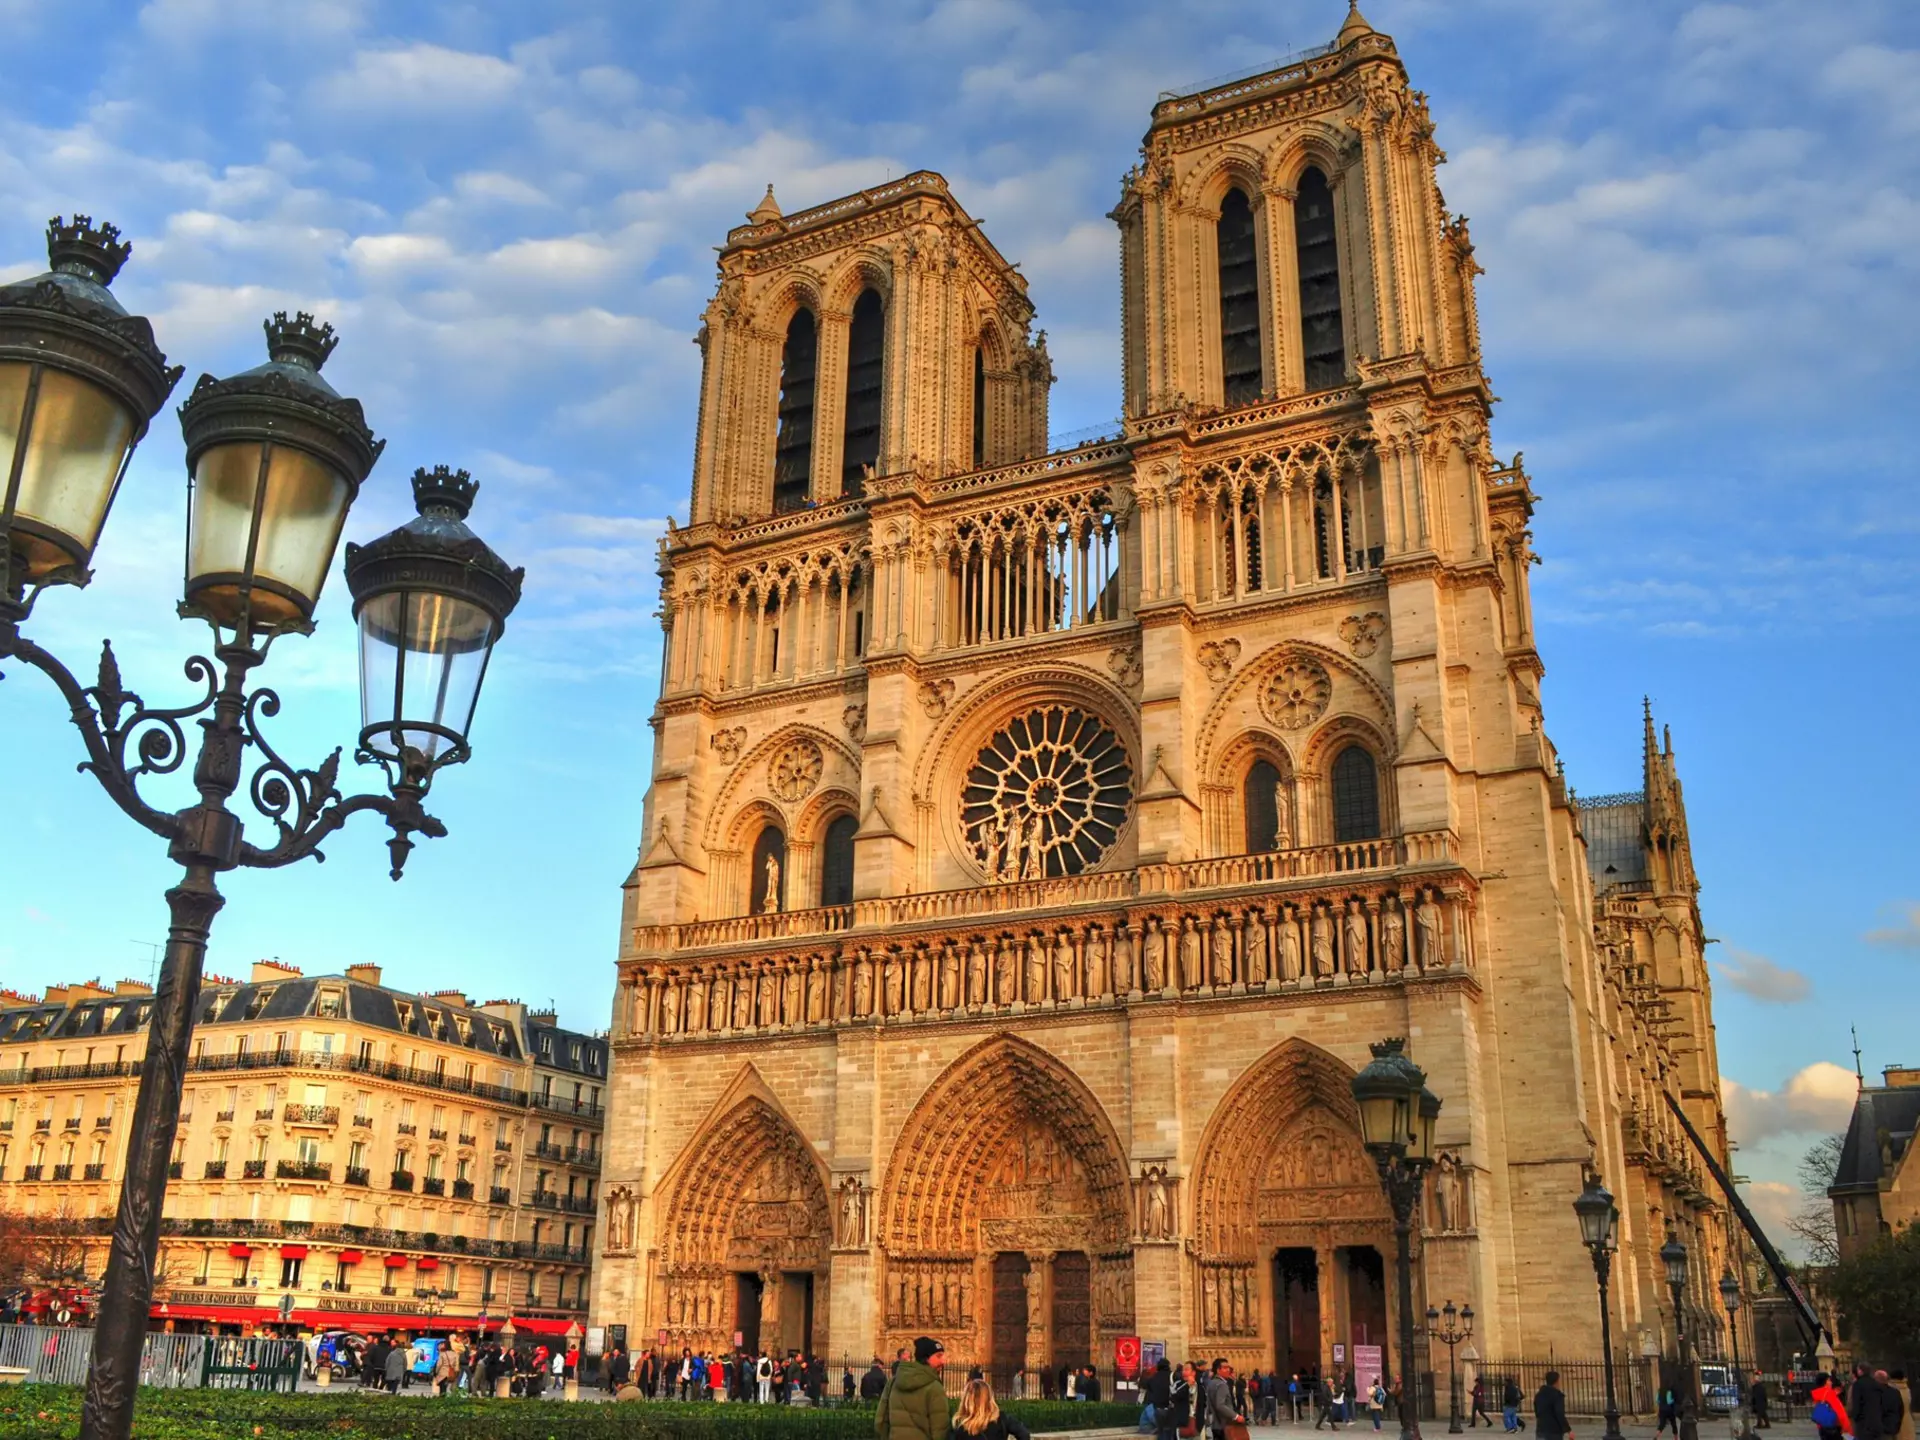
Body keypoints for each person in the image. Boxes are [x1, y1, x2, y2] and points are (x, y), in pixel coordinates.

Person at [876, 1336, 951, 1440]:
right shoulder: (934, 1387)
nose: (943, 1361)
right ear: (926, 1358)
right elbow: (940, 1430)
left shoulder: (893, 1382)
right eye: (939, 1356)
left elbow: (880, 1421)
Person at [954, 1377, 1032, 1440]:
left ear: (966, 1400)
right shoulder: (1001, 1419)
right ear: (989, 1398)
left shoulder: (961, 1429)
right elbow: (1024, 1434)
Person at [1206, 1358, 1248, 1440]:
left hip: (1215, 1424)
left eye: (1228, 1367)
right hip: (1224, 1425)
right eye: (1225, 1368)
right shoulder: (1222, 1384)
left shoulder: (1211, 1383)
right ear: (1218, 1370)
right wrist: (1236, 1416)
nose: (1228, 1370)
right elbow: (1220, 1405)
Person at [1811, 1371, 1853, 1440]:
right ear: (1825, 1382)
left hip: (1822, 1427)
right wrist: (1847, 1429)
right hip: (1834, 1427)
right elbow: (1840, 1413)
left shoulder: (1817, 1394)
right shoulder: (1829, 1394)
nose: (1831, 1382)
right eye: (1829, 1380)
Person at [1145, 1357, 1178, 1440]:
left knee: (1161, 1432)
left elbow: (1149, 1388)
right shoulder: (1173, 1376)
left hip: (1158, 1409)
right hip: (1171, 1409)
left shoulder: (1153, 1378)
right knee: (1170, 1432)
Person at [1533, 1371, 1571, 1440]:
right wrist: (1568, 1430)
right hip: (1553, 1432)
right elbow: (1559, 1413)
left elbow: (1536, 1411)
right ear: (1557, 1381)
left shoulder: (1539, 1395)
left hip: (1541, 1429)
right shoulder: (1557, 1396)